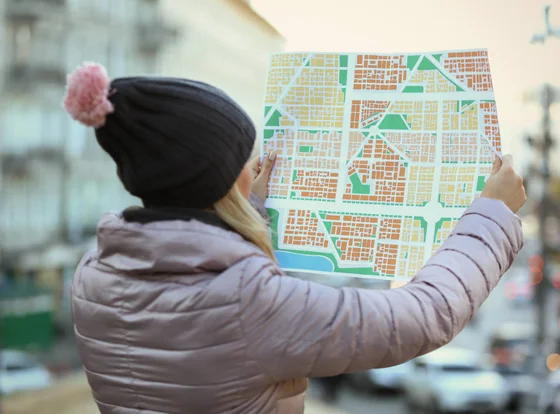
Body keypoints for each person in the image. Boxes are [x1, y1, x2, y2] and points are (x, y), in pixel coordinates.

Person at [64, 62, 526, 414]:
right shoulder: (249, 302)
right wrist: (491, 214)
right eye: (244, 159)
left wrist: (252, 212)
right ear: (225, 179)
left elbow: (194, 300)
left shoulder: (95, 276)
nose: (252, 168)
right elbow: (423, 316)